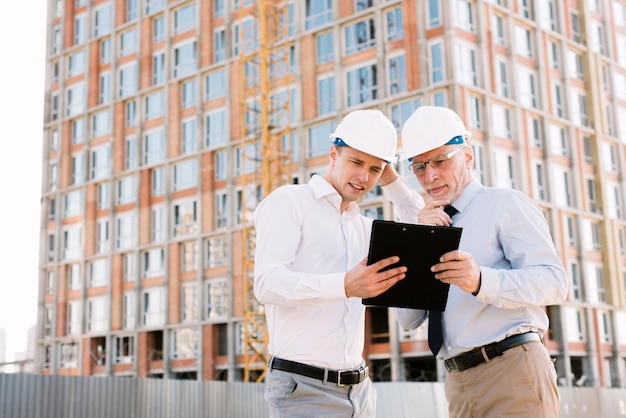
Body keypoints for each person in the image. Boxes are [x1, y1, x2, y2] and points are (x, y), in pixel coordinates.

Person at [394, 106, 568, 418]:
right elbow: (409, 320)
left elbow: (555, 283)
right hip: (457, 382)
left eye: (440, 161)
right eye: (419, 167)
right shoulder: (427, 225)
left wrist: (480, 281)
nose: (430, 176)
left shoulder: (504, 204)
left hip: (513, 372)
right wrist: (416, 245)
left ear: (468, 156)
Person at [253, 109, 424, 417]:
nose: (364, 177)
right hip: (303, 389)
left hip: (360, 392)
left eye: (374, 169)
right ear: (333, 154)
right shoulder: (290, 202)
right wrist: (344, 285)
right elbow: (267, 284)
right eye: (356, 162)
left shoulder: (364, 228)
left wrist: (391, 178)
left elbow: (423, 232)